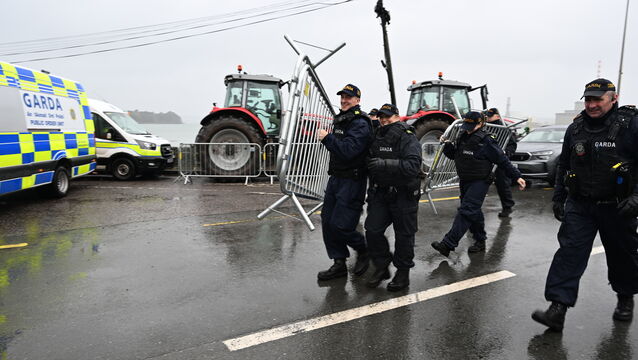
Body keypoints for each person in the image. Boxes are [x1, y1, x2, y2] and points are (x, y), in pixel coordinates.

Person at [532, 78, 638, 331]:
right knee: (569, 254)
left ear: (614, 98)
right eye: (588, 99)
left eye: (597, 99)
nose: (591, 105)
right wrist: (558, 197)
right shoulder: (576, 128)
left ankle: (625, 298)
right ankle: (558, 308)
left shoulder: (630, 125)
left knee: (623, 255)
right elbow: (565, 166)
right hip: (581, 205)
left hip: (618, 206)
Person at [431, 111, 526, 256]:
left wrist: (517, 176)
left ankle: (448, 244)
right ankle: (480, 241)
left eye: (471, 125)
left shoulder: (487, 140)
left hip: (480, 181)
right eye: (466, 124)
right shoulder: (463, 136)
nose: (467, 128)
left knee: (466, 210)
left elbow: (502, 160)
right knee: (473, 212)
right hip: (465, 179)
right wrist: (447, 145)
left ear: (480, 123)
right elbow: (455, 155)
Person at [316, 83, 373, 280]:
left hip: (352, 180)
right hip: (336, 178)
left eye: (348, 97)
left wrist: (327, 139)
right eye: (342, 96)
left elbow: (349, 150)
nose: (343, 100)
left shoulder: (360, 123)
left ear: (357, 100)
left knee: (342, 225)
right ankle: (339, 262)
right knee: (327, 221)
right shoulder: (342, 119)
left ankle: (363, 249)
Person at [364, 103, 422, 291]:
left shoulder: (407, 136)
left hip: (403, 193)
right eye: (381, 116)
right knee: (372, 230)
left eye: (388, 116)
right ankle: (382, 265)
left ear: (397, 116)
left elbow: (413, 166)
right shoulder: (377, 135)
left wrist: (384, 163)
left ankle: (402, 274)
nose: (383, 119)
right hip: (381, 192)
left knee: (404, 236)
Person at [485, 108, 518, 217]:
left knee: (503, 185)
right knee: (481, 184)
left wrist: (505, 153)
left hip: (500, 161)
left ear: (497, 116)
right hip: (486, 161)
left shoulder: (505, 128)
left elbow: (512, 145)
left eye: (490, 115)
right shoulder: (484, 127)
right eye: (487, 115)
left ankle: (507, 207)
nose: (488, 117)